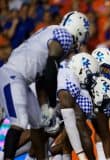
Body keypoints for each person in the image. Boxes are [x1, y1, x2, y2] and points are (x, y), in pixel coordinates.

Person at [0, 10, 89, 160]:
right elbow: (50, 67)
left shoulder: (51, 34)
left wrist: (45, 109)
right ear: (78, 30)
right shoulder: (64, 36)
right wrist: (53, 103)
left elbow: (42, 78)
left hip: (20, 79)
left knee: (39, 124)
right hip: (13, 75)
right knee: (20, 122)